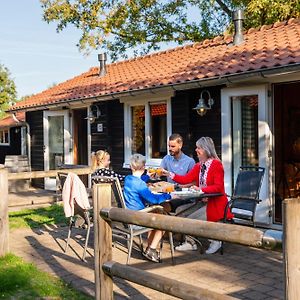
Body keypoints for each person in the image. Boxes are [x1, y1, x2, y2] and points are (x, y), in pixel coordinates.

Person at [163, 136, 234, 254]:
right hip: (203, 202)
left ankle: (215, 241)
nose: (196, 150)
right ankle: (191, 242)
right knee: (181, 210)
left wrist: (201, 189)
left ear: (206, 149)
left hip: (216, 205)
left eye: (198, 148)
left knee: (190, 219)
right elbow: (186, 179)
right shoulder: (199, 165)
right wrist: (169, 174)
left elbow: (219, 187)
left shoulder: (217, 165)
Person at [124, 153, 176, 263]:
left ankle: (149, 247)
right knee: (163, 220)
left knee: (157, 212)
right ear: (143, 167)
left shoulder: (128, 179)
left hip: (127, 216)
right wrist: (170, 195)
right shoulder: (140, 185)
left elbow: (139, 180)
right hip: (137, 218)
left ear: (130, 167)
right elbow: (153, 199)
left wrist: (147, 176)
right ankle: (151, 249)